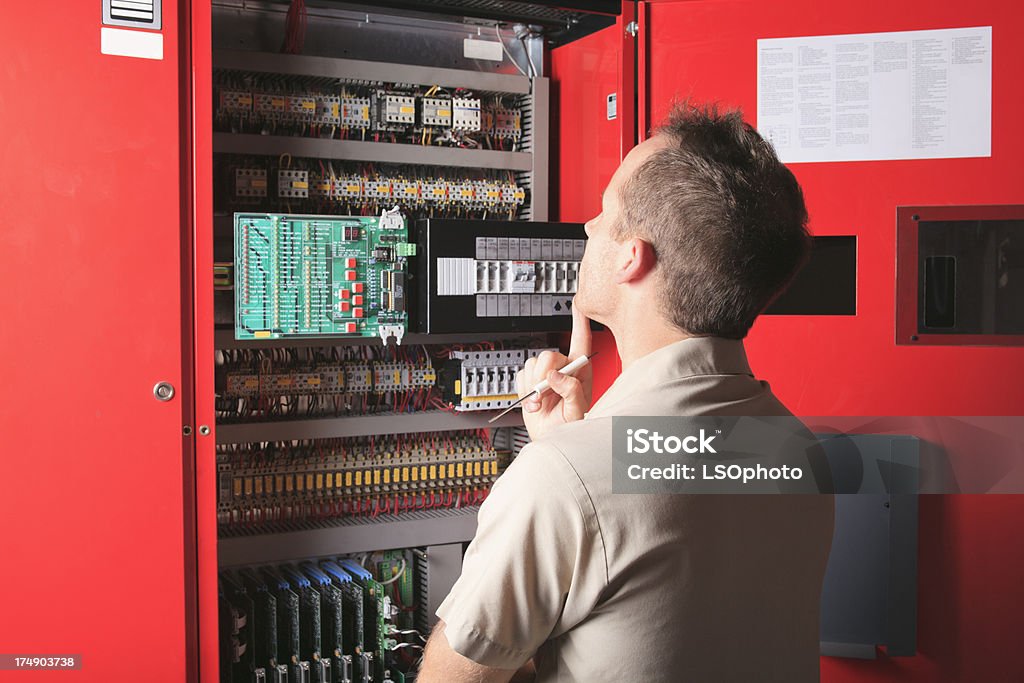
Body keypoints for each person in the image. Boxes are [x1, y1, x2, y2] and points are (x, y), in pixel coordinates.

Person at [418, 102, 835, 682]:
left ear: (631, 257)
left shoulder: (564, 482)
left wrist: (564, 462)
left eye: (604, 212)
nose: (587, 227)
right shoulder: (796, 450)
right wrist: (573, 442)